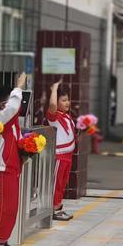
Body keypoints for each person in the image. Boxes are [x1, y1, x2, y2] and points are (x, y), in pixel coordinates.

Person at [0, 72, 27, 246]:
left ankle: (1, 240)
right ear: (2, 105)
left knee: (9, 206)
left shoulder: (11, 120)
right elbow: (13, 107)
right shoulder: (1, 118)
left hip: (13, 166)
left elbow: (17, 139)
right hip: (6, 167)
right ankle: (0, 244)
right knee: (8, 206)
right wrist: (19, 86)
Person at [47, 80, 75, 221]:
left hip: (68, 156)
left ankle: (58, 208)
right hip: (60, 156)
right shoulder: (54, 116)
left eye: (67, 100)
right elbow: (52, 105)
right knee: (56, 183)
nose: (67, 103)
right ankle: (52, 209)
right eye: (63, 100)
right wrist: (55, 88)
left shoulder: (67, 116)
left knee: (62, 184)